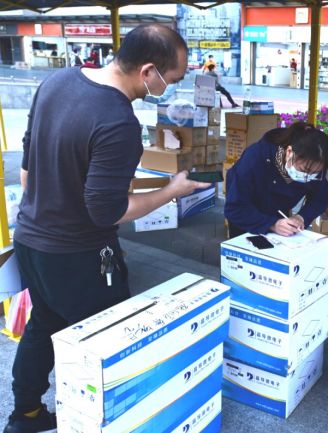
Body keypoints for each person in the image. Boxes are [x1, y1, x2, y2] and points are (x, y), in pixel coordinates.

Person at [3, 24, 209, 433]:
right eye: (172, 79)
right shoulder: (118, 121)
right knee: (108, 344)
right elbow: (106, 213)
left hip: (30, 239)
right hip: (77, 255)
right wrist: (173, 191)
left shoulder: (58, 81)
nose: (171, 87)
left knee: (44, 321)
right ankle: (108, 422)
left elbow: (27, 175)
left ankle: (24, 413)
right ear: (148, 71)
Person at [224, 122, 328, 239]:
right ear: (289, 152)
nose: (307, 177)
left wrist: (301, 217)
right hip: (246, 216)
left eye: (314, 173)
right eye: (304, 170)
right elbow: (235, 208)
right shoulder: (256, 157)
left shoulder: (314, 170)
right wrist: (272, 224)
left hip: (278, 214)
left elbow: (322, 197)